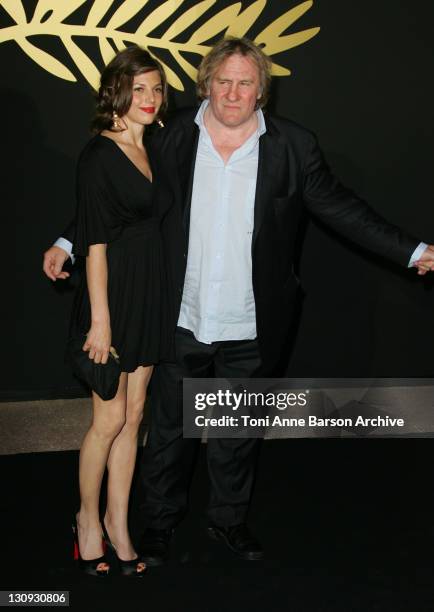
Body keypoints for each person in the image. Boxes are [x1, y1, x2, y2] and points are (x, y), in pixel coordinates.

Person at [43, 37, 434, 565]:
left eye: (245, 82)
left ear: (261, 92)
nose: (232, 93)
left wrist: (411, 250)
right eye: (223, 81)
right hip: (178, 312)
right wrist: (68, 240)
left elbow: (343, 209)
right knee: (167, 432)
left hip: (252, 319)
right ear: (207, 84)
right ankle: (157, 525)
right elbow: (119, 194)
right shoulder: (171, 134)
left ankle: (228, 522)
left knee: (236, 431)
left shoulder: (294, 146)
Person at [65, 46, 173, 576]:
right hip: (113, 296)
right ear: (117, 91)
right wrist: (100, 320)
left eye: (157, 89)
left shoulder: (153, 146)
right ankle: (86, 522)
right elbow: (96, 244)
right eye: (140, 88)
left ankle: (118, 523)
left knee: (135, 417)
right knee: (107, 418)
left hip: (151, 290)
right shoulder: (98, 154)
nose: (150, 98)